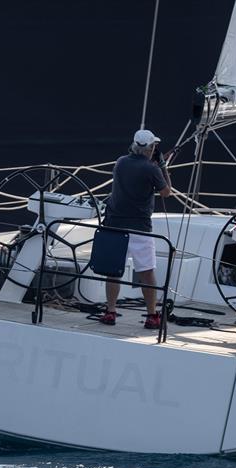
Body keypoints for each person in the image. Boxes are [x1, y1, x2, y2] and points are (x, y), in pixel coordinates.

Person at [99, 129, 172, 329]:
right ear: (150, 148)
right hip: (140, 227)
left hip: (114, 224)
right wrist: (162, 166)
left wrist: (153, 164)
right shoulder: (152, 169)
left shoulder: (120, 162)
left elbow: (135, 172)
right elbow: (166, 192)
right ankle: (152, 316)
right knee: (147, 272)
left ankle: (110, 311)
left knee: (113, 272)